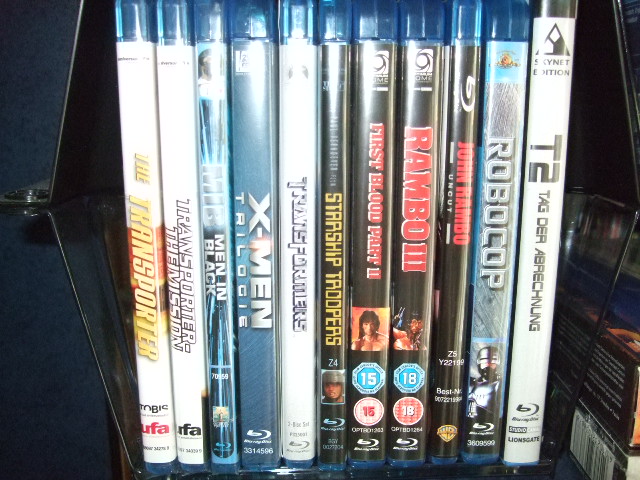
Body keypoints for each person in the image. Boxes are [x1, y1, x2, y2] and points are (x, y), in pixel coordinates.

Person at [467, 346, 501, 419]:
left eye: (493, 361)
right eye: (484, 360)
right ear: (478, 362)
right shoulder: (470, 383)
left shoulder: (499, 384)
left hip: (489, 420)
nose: (487, 365)